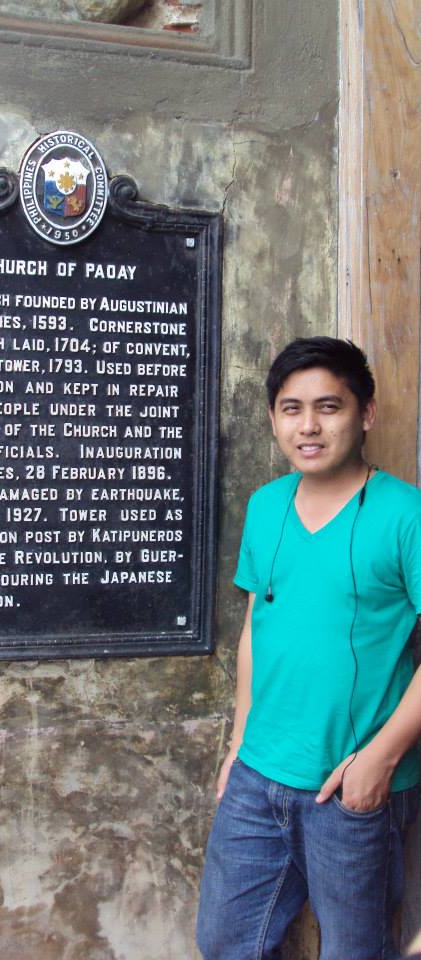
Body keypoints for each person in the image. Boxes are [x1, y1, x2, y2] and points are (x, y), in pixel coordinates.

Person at [197, 337, 421, 960]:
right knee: (225, 942)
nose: (310, 425)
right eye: (292, 409)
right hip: (256, 777)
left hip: (350, 788)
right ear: (273, 419)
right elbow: (255, 633)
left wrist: (378, 762)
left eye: (329, 406)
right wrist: (240, 744)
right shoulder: (266, 506)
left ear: (365, 414)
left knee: (355, 949)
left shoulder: (407, 515)